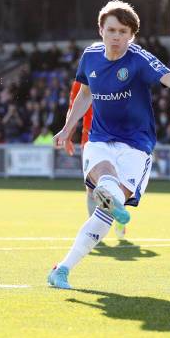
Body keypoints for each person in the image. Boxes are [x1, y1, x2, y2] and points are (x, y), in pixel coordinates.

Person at [48, 0, 170, 289]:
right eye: (111, 30)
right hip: (99, 138)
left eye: (123, 32)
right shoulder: (89, 57)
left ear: (131, 35)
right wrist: (67, 128)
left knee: (103, 219)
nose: (116, 37)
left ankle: (61, 269)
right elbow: (85, 95)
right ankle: (110, 195)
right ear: (100, 30)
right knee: (104, 175)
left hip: (136, 145)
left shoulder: (138, 59)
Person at [63, 80, 128, 239]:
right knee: (94, 187)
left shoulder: (118, 75)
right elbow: (73, 110)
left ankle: (114, 218)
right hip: (93, 140)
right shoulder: (81, 81)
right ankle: (96, 229)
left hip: (115, 139)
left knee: (112, 185)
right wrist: (67, 135)